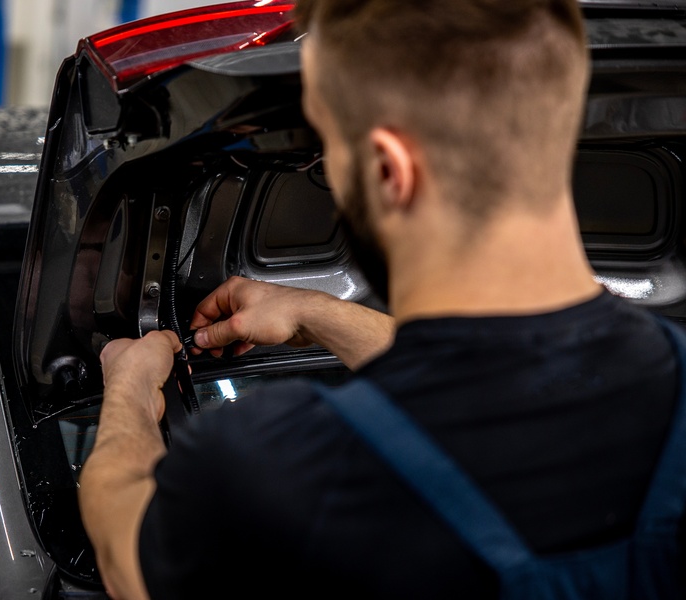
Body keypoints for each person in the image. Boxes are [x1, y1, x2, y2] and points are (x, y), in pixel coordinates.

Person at [77, 0, 685, 598]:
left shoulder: (290, 466)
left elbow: (123, 551)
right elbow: (506, 378)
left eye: (328, 154)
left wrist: (130, 388)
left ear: (390, 169)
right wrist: (317, 314)